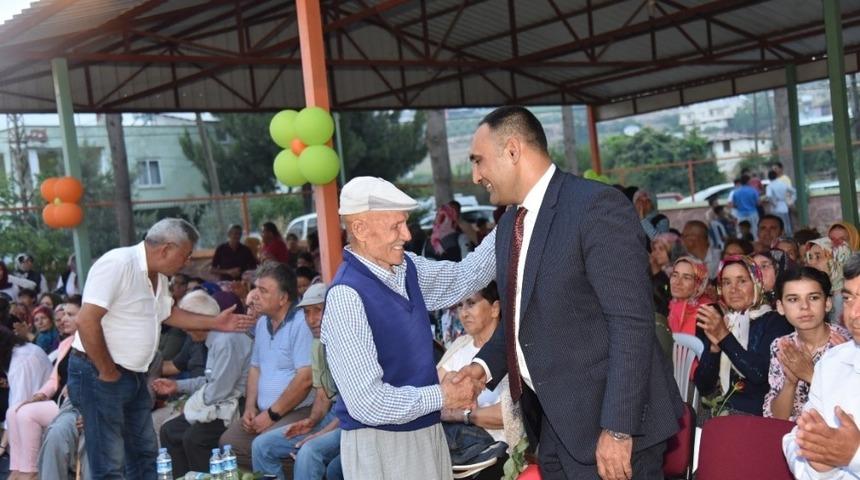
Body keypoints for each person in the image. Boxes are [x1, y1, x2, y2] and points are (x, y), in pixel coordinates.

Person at [454, 106, 681, 479]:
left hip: (613, 428)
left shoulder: (595, 207)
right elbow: (519, 320)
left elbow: (631, 323)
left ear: (512, 150)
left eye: (479, 161)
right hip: (555, 426)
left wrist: (618, 430)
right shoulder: (512, 222)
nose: (476, 176)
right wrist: (479, 370)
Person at [321, 176, 494, 479]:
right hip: (382, 447)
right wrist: (441, 397)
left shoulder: (406, 269)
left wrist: (513, 221)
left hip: (427, 433)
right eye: (395, 226)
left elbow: (466, 278)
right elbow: (367, 403)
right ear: (360, 229)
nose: (406, 234)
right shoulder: (346, 297)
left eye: (405, 223)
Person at [67, 218, 254, 479]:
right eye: (186, 254)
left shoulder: (160, 278)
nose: (187, 261)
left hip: (133, 374)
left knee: (144, 453)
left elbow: (169, 314)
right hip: (99, 372)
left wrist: (215, 322)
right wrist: (107, 371)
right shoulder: (118, 264)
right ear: (166, 249)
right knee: (109, 460)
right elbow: (86, 320)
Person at [219, 262, 315, 471]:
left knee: (265, 443)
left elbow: (305, 380)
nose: (255, 297)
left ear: (283, 298)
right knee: (229, 444)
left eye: (263, 291)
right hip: (267, 410)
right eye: (257, 289)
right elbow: (255, 368)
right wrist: (250, 408)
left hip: (300, 409)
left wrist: (271, 415)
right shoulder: (263, 322)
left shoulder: (301, 323)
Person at [154, 291, 253, 477]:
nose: (184, 329)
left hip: (237, 404)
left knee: (195, 438)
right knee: (169, 430)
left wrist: (192, 405)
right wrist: (178, 386)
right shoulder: (214, 340)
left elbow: (218, 391)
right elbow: (211, 381)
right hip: (219, 401)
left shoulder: (226, 341)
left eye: (187, 324)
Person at [251, 283, 342, 480]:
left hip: (351, 422)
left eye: (318, 311)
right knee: (262, 446)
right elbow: (322, 394)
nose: (311, 320)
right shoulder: (318, 344)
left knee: (309, 452)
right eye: (307, 313)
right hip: (332, 416)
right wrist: (311, 422)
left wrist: (321, 433)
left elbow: (353, 411)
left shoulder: (348, 343)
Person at [783, 253, 860, 478]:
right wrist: (822, 465)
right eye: (848, 299)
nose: (854, 313)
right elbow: (795, 440)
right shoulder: (833, 362)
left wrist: (853, 455)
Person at [693, 256, 794, 416]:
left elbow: (759, 375)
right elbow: (703, 386)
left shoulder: (775, 322)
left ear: (756, 283)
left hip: (758, 419)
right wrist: (713, 350)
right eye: (726, 282)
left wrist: (724, 337)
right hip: (720, 414)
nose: (733, 289)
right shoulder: (725, 321)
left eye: (742, 281)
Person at [6, 296, 80, 480]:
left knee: (26, 414)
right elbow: (54, 379)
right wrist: (39, 394)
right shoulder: (66, 343)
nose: (63, 319)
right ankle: (17, 468)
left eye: (71, 315)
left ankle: (31, 471)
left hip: (73, 404)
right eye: (64, 315)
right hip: (58, 400)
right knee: (14, 410)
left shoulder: (90, 342)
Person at [763, 267, 850, 421]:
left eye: (813, 297)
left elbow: (850, 409)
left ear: (828, 303)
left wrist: (809, 374)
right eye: (793, 299)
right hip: (792, 436)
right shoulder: (783, 346)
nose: (804, 306)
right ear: (780, 307)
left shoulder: (846, 344)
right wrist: (790, 382)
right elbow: (777, 418)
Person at [437, 282, 508, 465]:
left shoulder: (509, 353)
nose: (463, 313)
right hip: (456, 456)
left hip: (499, 457)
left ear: (495, 308)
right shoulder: (458, 346)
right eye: (460, 305)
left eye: (471, 303)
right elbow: (434, 394)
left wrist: (461, 415)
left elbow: (510, 415)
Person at [2, 326, 52, 480]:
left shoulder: (21, 362)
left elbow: (20, 406)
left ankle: (27, 472)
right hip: (37, 410)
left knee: (20, 414)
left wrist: (2, 446)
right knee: (14, 413)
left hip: (43, 416)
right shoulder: (19, 352)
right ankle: (19, 469)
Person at [667, 256, 712, 336]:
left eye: (686, 278)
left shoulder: (705, 313)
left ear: (698, 284)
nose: (677, 282)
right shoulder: (671, 305)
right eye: (675, 275)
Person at [729, 175, 760, 240]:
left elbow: (734, 205)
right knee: (755, 232)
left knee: (742, 233)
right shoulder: (753, 190)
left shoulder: (736, 192)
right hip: (752, 214)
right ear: (748, 181)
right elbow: (758, 203)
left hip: (741, 215)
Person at [764, 172, 795, 236]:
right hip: (784, 206)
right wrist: (791, 200)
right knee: (787, 224)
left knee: (777, 225)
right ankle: (789, 238)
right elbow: (793, 191)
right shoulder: (783, 184)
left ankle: (779, 239)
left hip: (776, 208)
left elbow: (769, 196)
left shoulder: (770, 186)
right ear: (776, 176)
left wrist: (773, 203)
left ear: (769, 177)